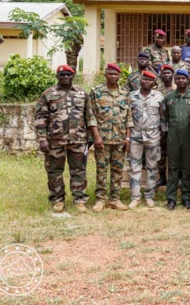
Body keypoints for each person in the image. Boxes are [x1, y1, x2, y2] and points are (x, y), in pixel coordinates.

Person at [34, 65, 89, 213]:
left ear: (73, 76)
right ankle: (57, 200)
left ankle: (79, 199)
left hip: (78, 139)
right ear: (57, 77)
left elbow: (89, 116)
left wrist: (90, 138)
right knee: (54, 171)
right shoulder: (48, 94)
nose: (66, 77)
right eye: (62, 75)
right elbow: (40, 118)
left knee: (79, 170)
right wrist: (42, 139)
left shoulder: (82, 93)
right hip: (54, 140)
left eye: (68, 75)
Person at [87, 63, 133, 212]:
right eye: (110, 74)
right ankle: (100, 199)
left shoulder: (125, 94)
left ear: (119, 76)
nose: (113, 76)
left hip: (120, 139)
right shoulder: (96, 92)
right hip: (103, 139)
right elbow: (91, 116)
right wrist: (96, 137)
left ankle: (114, 199)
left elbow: (128, 118)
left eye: (116, 74)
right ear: (105, 75)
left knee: (117, 171)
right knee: (101, 170)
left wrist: (128, 138)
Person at [164, 69, 190, 210]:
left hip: (189, 137)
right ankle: (171, 198)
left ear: (188, 80)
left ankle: (186, 197)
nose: (180, 81)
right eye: (178, 78)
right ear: (174, 80)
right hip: (173, 136)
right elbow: (166, 118)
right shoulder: (169, 98)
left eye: (183, 78)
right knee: (172, 167)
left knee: (187, 167)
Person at [127, 71, 165, 209]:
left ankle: (149, 196)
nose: (147, 82)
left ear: (154, 83)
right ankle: (135, 197)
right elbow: (128, 117)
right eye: (145, 79)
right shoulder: (132, 97)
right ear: (140, 80)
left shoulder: (159, 97)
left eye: (150, 80)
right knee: (134, 167)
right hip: (135, 137)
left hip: (153, 137)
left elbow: (163, 118)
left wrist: (162, 136)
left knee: (152, 167)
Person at [155, 64, 174, 187]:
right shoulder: (156, 90)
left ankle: (173, 178)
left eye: (169, 73)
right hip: (160, 125)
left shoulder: (178, 88)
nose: (166, 75)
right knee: (161, 152)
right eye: (164, 73)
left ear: (173, 75)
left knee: (174, 152)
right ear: (161, 75)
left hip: (173, 125)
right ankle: (162, 177)